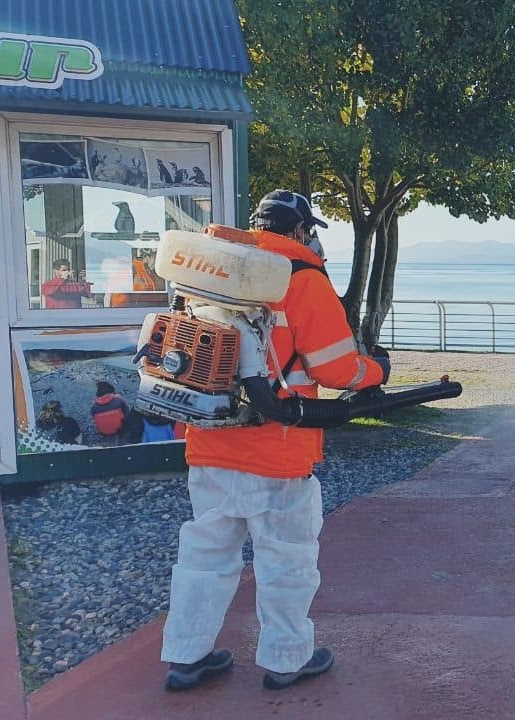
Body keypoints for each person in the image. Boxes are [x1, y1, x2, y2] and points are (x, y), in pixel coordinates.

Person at [160, 189, 389, 692]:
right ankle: (286, 659)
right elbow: (334, 368)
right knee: (286, 557)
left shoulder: (205, 268)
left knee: (204, 554)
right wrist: (376, 370)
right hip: (278, 448)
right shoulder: (300, 276)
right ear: (302, 231)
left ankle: (186, 656)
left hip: (210, 438)